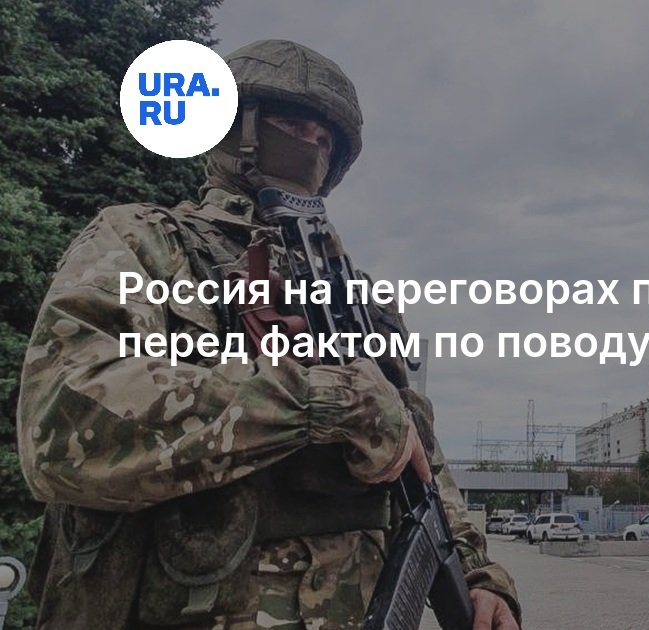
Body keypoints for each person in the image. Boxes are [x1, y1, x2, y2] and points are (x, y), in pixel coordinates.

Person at [16, 39, 520, 629]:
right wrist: (330, 403)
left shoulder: (356, 296)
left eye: (325, 139)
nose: (310, 145)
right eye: (292, 124)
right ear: (236, 129)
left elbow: (416, 454)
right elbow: (61, 426)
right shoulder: (144, 242)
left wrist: (478, 573)